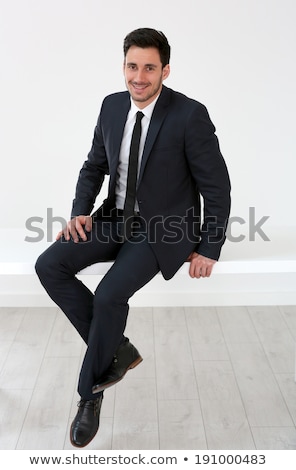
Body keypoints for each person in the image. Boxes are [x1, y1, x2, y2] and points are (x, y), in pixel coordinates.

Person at [35, 27, 231, 448]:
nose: (138, 77)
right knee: (48, 265)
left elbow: (216, 186)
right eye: (131, 66)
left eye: (149, 68)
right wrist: (79, 214)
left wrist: (209, 247)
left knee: (108, 296)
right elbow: (93, 166)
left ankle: (89, 395)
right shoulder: (110, 107)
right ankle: (116, 350)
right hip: (114, 218)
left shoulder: (189, 115)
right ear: (123, 66)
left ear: (165, 70)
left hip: (166, 229)